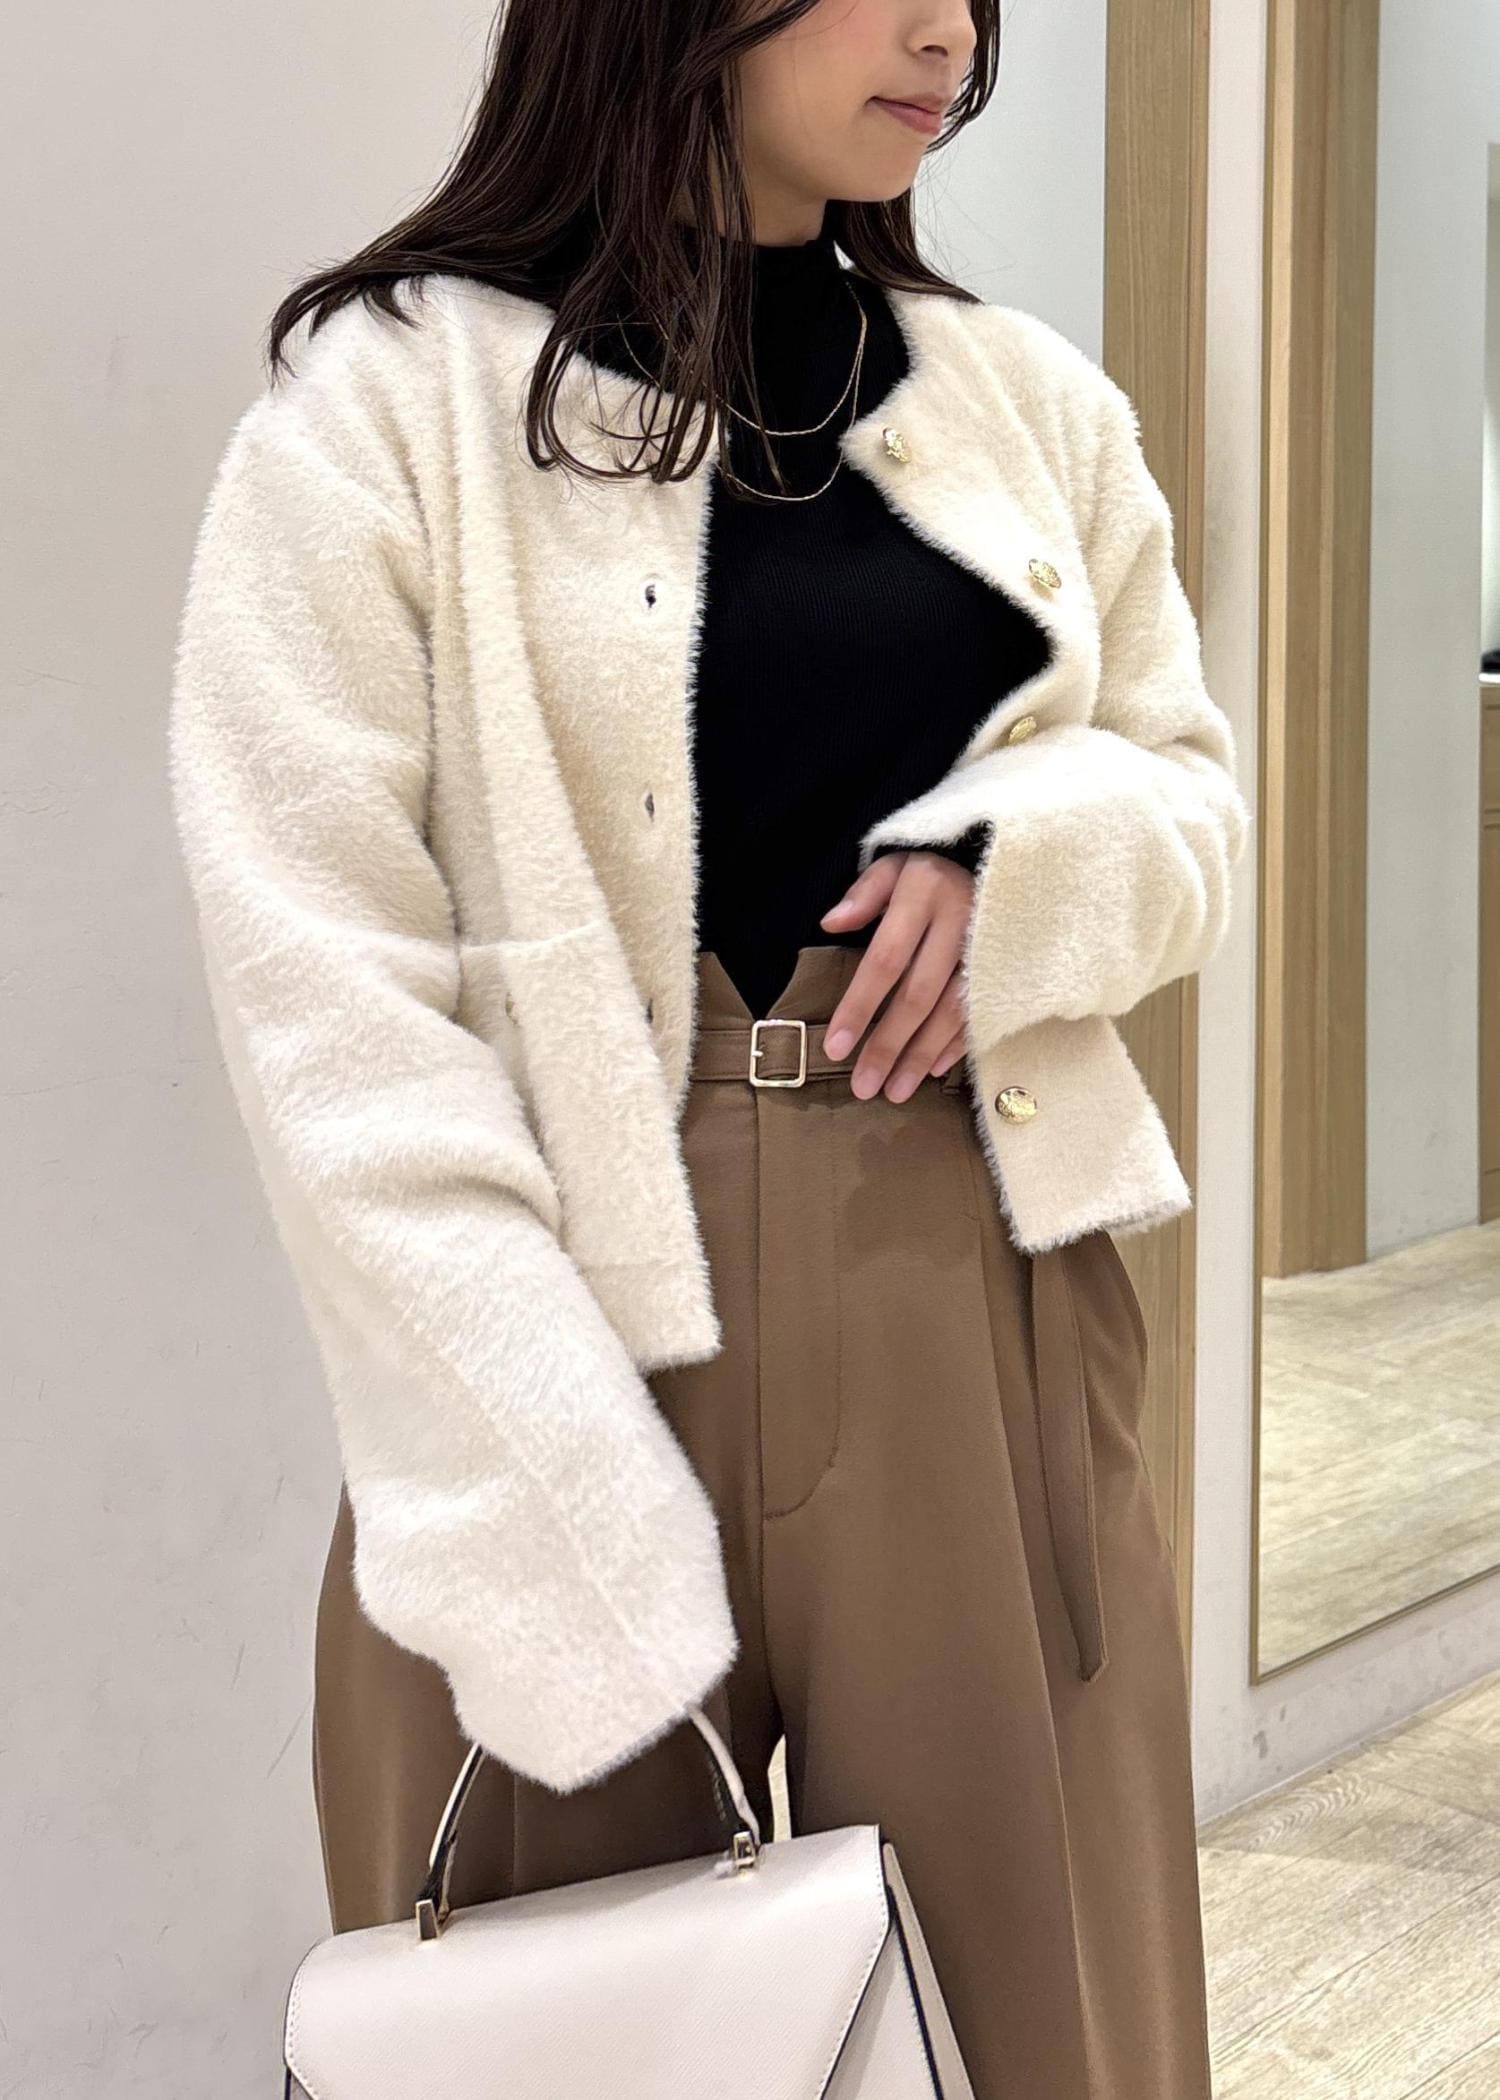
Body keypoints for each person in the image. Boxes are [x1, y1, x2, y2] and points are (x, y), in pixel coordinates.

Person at [168, 2, 1251, 2093]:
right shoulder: (386, 409)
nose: (948, 29)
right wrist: (542, 1463)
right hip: (550, 1339)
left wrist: (1022, 857)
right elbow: (322, 981)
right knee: (550, 2023)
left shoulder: (1026, 399)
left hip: (966, 1294)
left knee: (1035, 2014)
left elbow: (1188, 790)